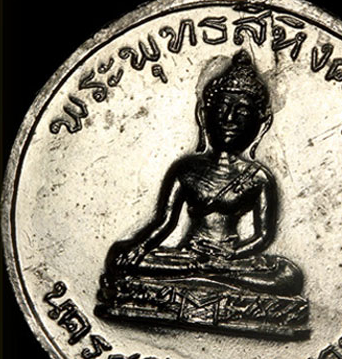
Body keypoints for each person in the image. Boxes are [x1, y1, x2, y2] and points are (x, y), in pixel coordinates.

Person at [105, 50, 303, 297]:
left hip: (229, 260)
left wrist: (229, 255)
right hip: (189, 257)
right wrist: (140, 248)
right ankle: (207, 278)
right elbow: (164, 223)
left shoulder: (258, 177)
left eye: (242, 112)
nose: (229, 119)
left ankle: (203, 279)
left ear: (261, 124)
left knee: (287, 276)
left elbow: (263, 236)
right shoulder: (186, 169)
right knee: (119, 257)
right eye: (221, 109)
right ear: (203, 115)